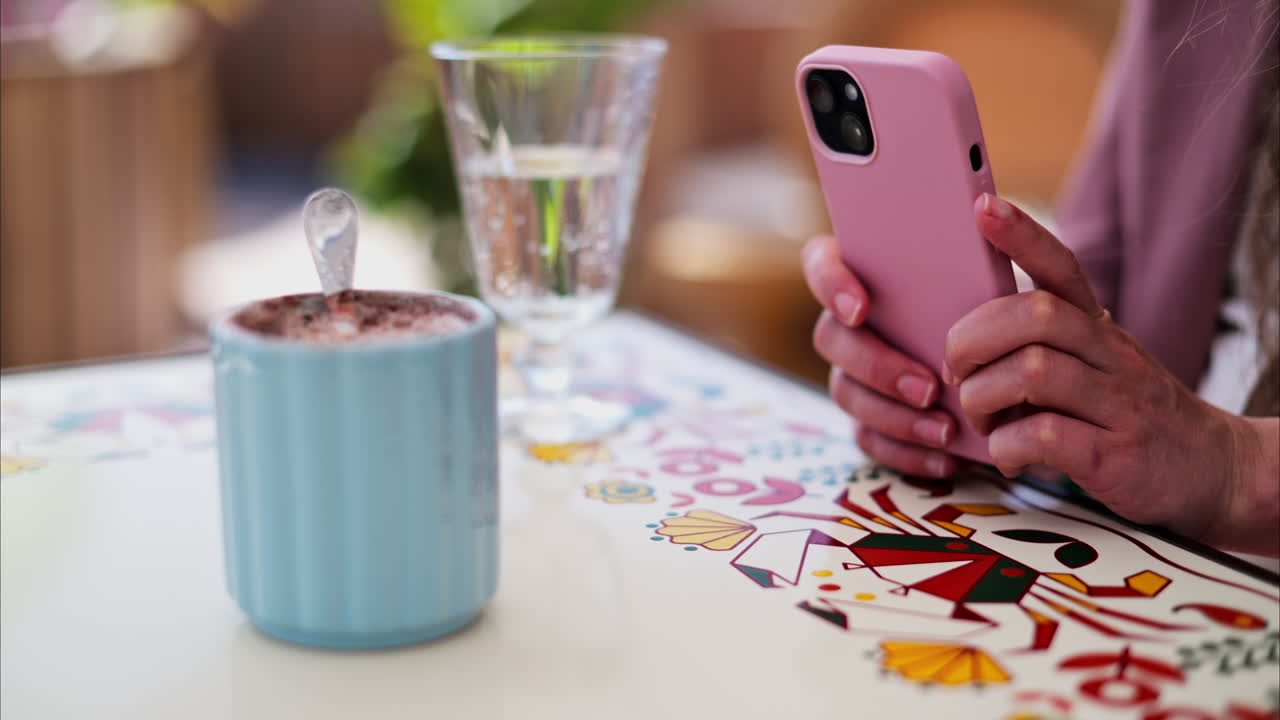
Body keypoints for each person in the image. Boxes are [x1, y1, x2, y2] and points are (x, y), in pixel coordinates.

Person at [803, 0, 1279, 557]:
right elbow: (1106, 259)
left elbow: (1203, 458)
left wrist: (1233, 470)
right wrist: (1001, 358)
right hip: (1128, 546)